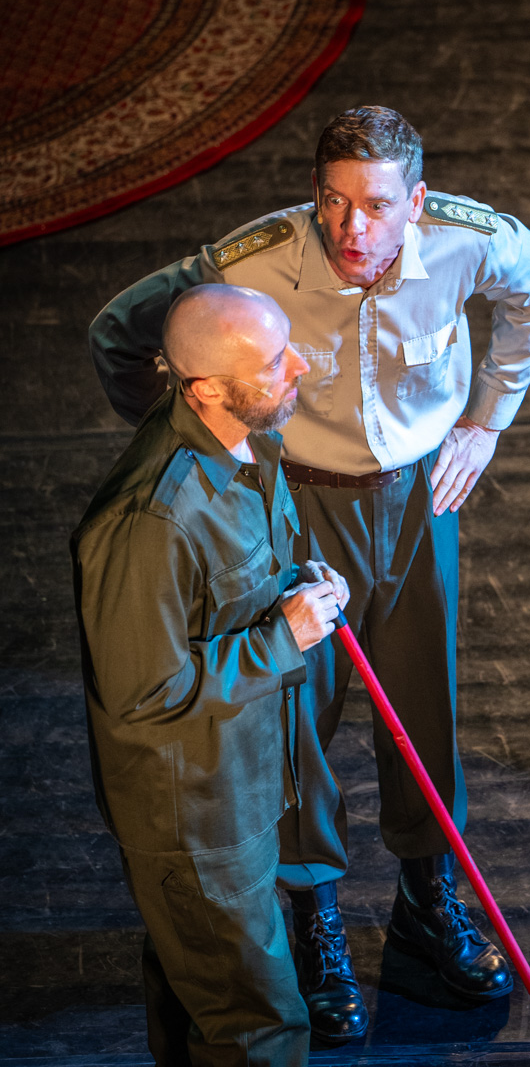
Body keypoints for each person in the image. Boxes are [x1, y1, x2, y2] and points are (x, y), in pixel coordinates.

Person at [88, 106, 530, 1042]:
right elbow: (120, 331)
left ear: (416, 203)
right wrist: (197, 444)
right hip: (300, 502)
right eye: (335, 202)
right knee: (296, 721)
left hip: (419, 501)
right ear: (315, 196)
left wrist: (486, 419)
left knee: (425, 708)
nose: (354, 228)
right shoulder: (254, 261)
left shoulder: (468, 241)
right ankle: (315, 924)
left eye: (378, 206)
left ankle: (428, 905)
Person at [73, 284, 352, 1064]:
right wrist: (284, 636)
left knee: (199, 997)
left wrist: (294, 584)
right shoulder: (149, 522)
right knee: (257, 1027)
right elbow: (143, 693)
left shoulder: (244, 443)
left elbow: (229, 588)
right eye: (272, 363)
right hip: (196, 818)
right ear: (204, 389)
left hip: (242, 781)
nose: (298, 367)